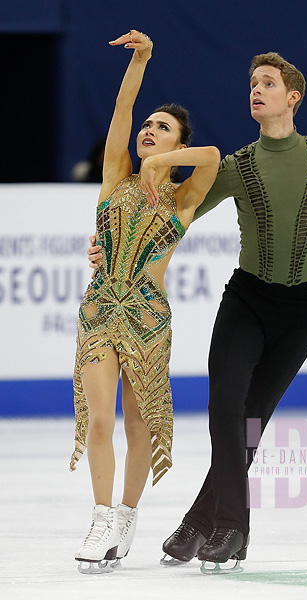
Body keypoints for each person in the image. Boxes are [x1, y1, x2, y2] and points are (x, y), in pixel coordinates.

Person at [88, 51, 307, 574]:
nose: (256, 90)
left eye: (268, 84)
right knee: (225, 409)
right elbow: (171, 215)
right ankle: (234, 528)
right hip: (246, 301)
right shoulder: (238, 166)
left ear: (292, 97)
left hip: (299, 313)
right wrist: (111, 241)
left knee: (251, 422)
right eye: (252, 83)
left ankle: (198, 521)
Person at [71, 29, 220, 574]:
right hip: (101, 312)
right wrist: (142, 59)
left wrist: (164, 164)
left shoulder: (183, 200)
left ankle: (128, 517)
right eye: (149, 127)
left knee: (139, 427)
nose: (149, 131)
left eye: (164, 127)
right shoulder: (114, 178)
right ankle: (101, 516)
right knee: (100, 423)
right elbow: (122, 109)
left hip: (149, 319)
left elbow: (212, 157)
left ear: (176, 141)